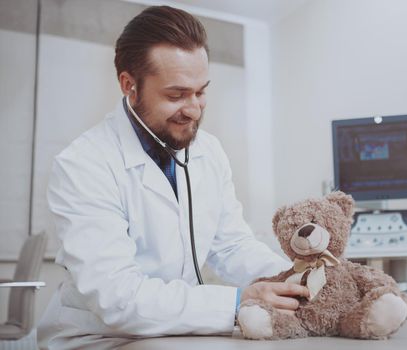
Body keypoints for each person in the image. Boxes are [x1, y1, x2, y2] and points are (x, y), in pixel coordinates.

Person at [37, 6, 308, 350]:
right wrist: (239, 301)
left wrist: (294, 279)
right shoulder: (83, 165)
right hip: (100, 338)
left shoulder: (208, 151)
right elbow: (118, 298)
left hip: (183, 330)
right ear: (129, 86)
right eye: (176, 95)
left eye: (201, 91)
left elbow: (232, 246)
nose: (194, 109)